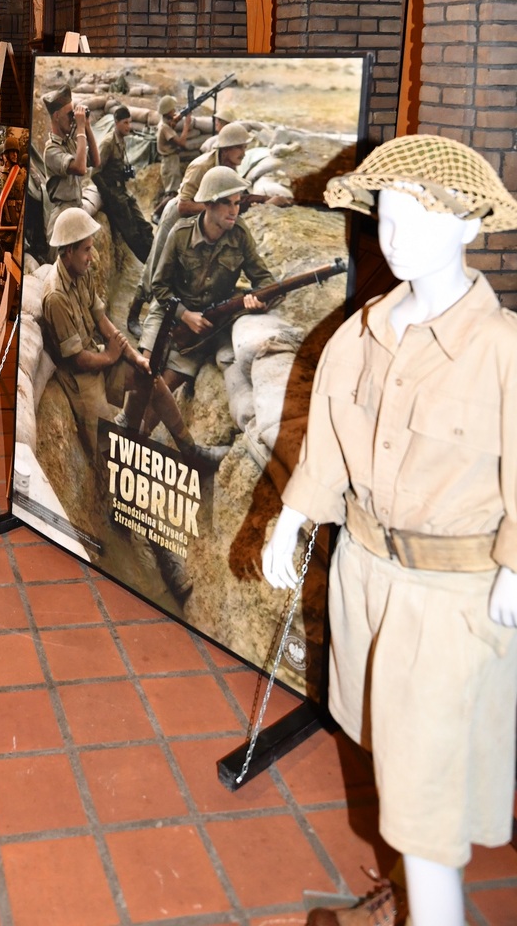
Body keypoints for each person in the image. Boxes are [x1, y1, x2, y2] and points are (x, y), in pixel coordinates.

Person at [262, 135, 517, 926]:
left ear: (471, 228)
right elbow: (331, 442)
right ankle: (410, 898)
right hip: (364, 580)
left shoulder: (503, 351)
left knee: (427, 805)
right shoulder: (364, 330)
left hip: (450, 601)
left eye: (421, 217)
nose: (397, 234)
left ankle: (429, 906)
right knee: (396, 760)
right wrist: (291, 519)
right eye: (387, 215)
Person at [42, 208, 227, 602]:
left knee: (150, 378)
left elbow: (104, 321)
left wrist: (130, 356)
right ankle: (163, 556)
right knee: (126, 456)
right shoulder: (55, 297)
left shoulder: (82, 272)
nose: (93, 255)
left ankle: (190, 449)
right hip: (80, 382)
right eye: (87, 250)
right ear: (69, 251)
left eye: (93, 249)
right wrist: (111, 358)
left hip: (100, 359)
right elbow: (77, 360)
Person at [138, 165, 275, 416]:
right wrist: (184, 315)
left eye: (237, 203)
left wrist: (261, 303)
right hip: (169, 310)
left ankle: (141, 436)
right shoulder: (180, 234)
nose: (235, 211)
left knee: (164, 391)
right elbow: (159, 285)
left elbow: (266, 282)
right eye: (227, 204)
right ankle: (126, 423)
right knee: (144, 374)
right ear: (209, 205)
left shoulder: (240, 236)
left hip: (204, 326)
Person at [127, 122, 269, 337]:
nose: (243, 152)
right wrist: (213, 205)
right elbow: (183, 205)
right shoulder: (202, 166)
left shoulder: (230, 170)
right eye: (239, 147)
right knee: (154, 268)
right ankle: (134, 314)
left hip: (203, 221)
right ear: (226, 148)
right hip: (177, 217)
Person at [91, 104, 153, 263]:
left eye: (130, 122)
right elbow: (95, 173)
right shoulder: (108, 143)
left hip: (123, 191)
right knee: (132, 233)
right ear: (116, 122)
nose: (129, 126)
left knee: (145, 225)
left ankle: (155, 258)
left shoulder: (122, 141)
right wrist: (108, 195)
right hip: (114, 194)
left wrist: (126, 172)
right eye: (125, 123)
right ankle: (149, 264)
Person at [42, 84, 100, 236]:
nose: (72, 118)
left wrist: (86, 126)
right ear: (56, 116)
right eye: (69, 114)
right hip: (62, 214)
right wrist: (80, 129)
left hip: (77, 207)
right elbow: (81, 169)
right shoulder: (51, 150)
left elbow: (95, 161)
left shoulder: (71, 143)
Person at [154, 94, 192, 218]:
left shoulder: (164, 124)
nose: (175, 111)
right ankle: (156, 213)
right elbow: (181, 143)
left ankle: (162, 214)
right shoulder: (165, 127)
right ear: (167, 111)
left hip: (169, 161)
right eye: (172, 109)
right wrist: (186, 125)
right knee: (172, 194)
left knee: (170, 193)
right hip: (170, 162)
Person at [0, 129, 27, 252]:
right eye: (12, 152)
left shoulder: (22, 174)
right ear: (6, 154)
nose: (15, 155)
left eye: (16, 152)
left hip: (17, 222)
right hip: (3, 221)